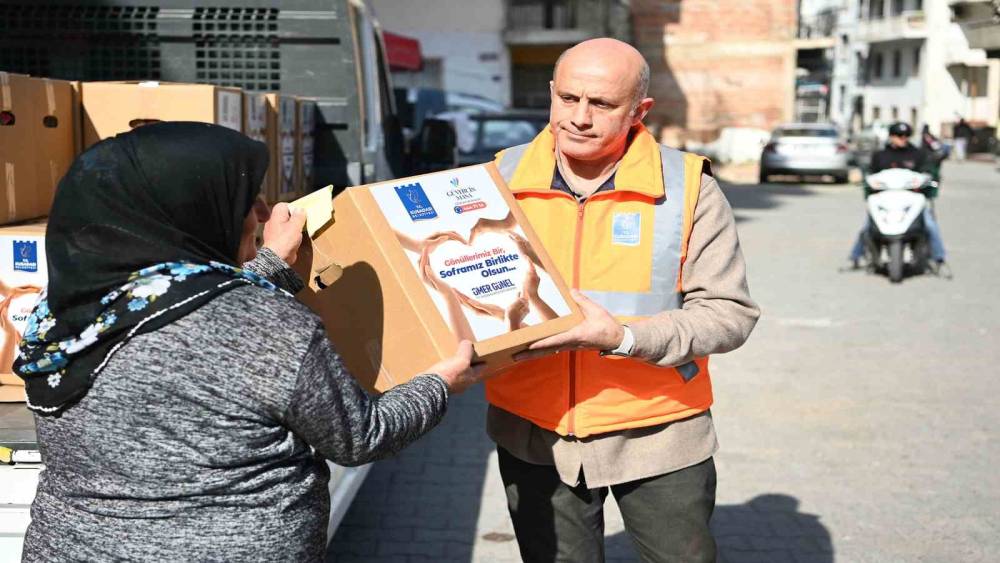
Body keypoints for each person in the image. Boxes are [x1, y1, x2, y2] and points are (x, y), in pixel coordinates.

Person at [14, 122, 483, 562]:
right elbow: (359, 436)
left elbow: (179, 311)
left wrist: (272, 263)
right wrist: (439, 383)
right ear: (191, 210)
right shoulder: (264, 324)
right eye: (243, 199)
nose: (260, 212)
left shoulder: (61, 316)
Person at [487, 38, 760, 562]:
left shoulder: (688, 187)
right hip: (533, 431)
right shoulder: (499, 178)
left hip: (659, 428)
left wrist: (624, 338)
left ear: (640, 111)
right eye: (568, 98)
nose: (579, 118)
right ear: (551, 93)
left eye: (603, 104)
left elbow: (729, 313)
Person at [849, 121, 947, 268]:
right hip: (886, 200)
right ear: (891, 136)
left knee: (930, 224)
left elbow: (929, 172)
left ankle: (938, 258)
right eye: (899, 135)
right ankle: (856, 256)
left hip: (912, 199)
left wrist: (931, 180)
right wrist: (865, 181)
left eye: (906, 135)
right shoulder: (880, 156)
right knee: (867, 226)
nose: (903, 138)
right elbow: (870, 174)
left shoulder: (917, 154)